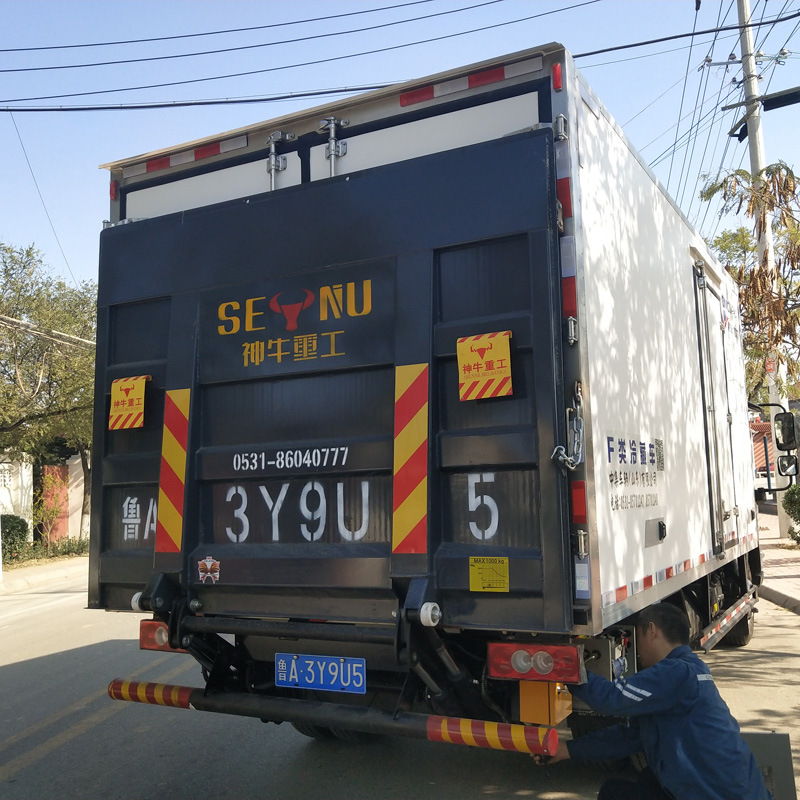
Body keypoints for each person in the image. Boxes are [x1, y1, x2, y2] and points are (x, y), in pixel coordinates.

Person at [539, 603, 772, 800]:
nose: (638, 650)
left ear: (651, 631)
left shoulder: (677, 674)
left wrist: (563, 665)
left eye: (637, 637)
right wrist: (565, 749)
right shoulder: (689, 671)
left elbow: (611, 698)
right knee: (645, 781)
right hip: (725, 791)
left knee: (615, 794)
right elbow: (628, 736)